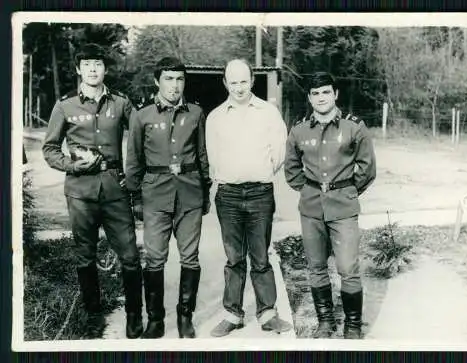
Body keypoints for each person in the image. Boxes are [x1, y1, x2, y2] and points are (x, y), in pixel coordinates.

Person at [42, 43, 143, 339]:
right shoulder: (65, 105)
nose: (93, 69)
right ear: (78, 69)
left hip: (115, 188)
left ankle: (134, 316)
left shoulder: (122, 104)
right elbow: (49, 149)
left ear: (105, 69)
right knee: (85, 256)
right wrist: (72, 166)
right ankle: (93, 313)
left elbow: (139, 141)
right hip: (80, 192)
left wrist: (132, 178)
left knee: (130, 255)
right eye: (87, 65)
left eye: (98, 64)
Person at [284, 72, 376, 339]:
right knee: (316, 266)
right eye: (315, 93)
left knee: (348, 268)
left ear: (335, 94)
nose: (321, 98)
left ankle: (353, 325)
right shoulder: (299, 129)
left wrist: (346, 191)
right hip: (311, 208)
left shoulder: (354, 126)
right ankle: (325, 322)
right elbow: (291, 169)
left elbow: (367, 168)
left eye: (326, 92)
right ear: (309, 97)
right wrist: (310, 191)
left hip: (343, 208)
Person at [205, 58, 292, 337]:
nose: (239, 87)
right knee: (234, 259)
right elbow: (212, 156)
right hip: (228, 195)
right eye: (233, 82)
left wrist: (259, 171)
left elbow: (278, 154)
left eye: (244, 81)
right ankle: (232, 315)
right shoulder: (216, 117)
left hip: (260, 194)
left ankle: (268, 314)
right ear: (225, 83)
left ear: (252, 81)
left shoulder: (268, 113)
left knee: (260, 257)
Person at [126, 57, 211, 339]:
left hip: (189, 193)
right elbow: (134, 160)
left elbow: (202, 157)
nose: (175, 86)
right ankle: (155, 320)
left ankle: (185, 318)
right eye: (169, 79)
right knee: (154, 259)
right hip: (154, 196)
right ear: (157, 81)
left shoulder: (196, 113)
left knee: (190, 257)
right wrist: (135, 198)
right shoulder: (142, 115)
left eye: (179, 79)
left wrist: (205, 191)